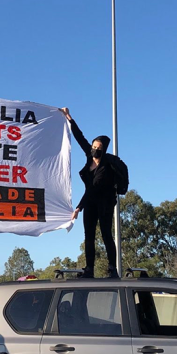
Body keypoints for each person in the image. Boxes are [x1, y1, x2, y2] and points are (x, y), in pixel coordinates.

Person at [60, 107, 124, 279]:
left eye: (98, 147)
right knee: (89, 236)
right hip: (91, 202)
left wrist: (78, 207)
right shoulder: (90, 156)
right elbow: (80, 137)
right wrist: (68, 117)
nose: (94, 149)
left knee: (105, 234)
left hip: (105, 202)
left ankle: (112, 269)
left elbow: (93, 188)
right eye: (94, 146)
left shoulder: (105, 168)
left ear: (103, 150)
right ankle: (89, 269)